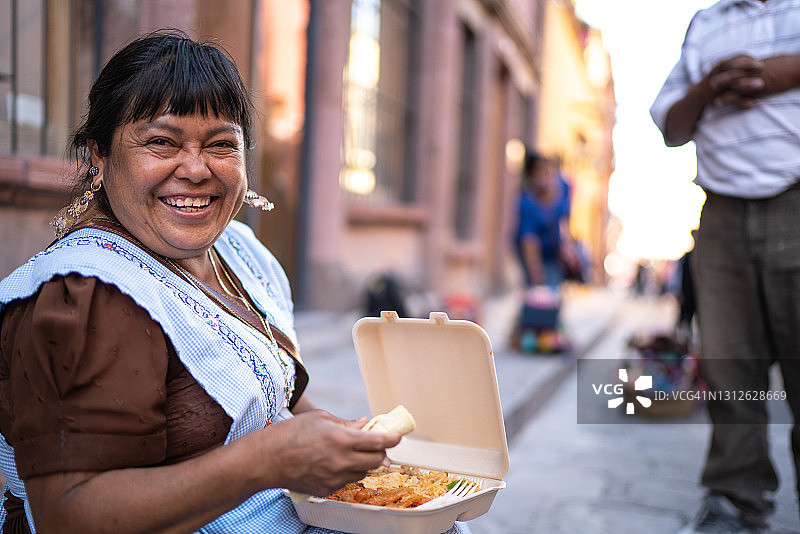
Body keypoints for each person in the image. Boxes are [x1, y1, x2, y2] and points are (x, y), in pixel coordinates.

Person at [0, 31, 469, 534]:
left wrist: (341, 442)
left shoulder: (240, 253)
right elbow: (66, 515)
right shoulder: (85, 294)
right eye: (162, 142)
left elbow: (279, 397)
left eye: (222, 144)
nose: (197, 170)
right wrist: (266, 461)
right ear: (99, 156)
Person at [650, 1, 800, 532]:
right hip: (721, 211)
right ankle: (736, 500)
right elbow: (670, 124)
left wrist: (784, 70)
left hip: (796, 197)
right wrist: (709, 87)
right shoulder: (706, 22)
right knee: (729, 370)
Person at [512, 150, 578, 290]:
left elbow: (565, 219)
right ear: (531, 178)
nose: (545, 177)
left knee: (553, 289)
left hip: (554, 252)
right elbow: (529, 241)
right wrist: (536, 274)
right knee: (538, 291)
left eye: (547, 171)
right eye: (539, 173)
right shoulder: (527, 203)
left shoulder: (564, 186)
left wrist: (567, 245)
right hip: (533, 253)